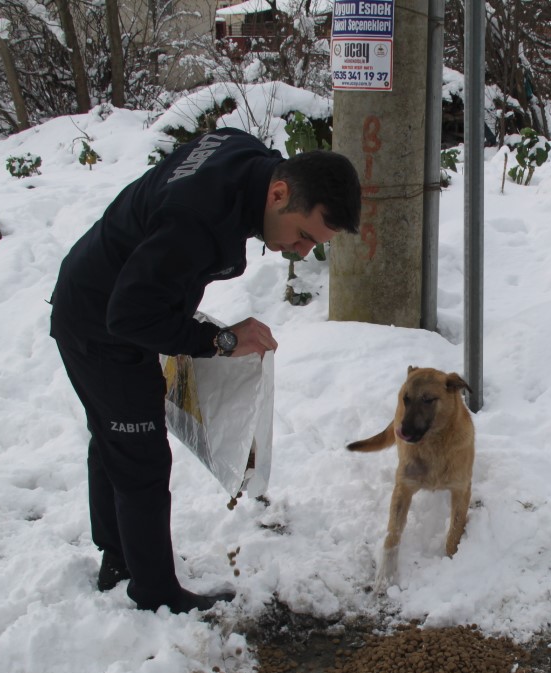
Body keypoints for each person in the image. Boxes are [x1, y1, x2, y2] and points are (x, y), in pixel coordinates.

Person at [49, 128, 361, 614]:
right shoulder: (194, 219)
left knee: (116, 434)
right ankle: (154, 593)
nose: (301, 252)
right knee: (140, 455)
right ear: (279, 193)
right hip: (102, 323)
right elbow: (129, 316)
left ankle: (119, 559)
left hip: (109, 293)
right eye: (303, 236)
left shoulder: (249, 157)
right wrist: (219, 340)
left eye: (313, 245)